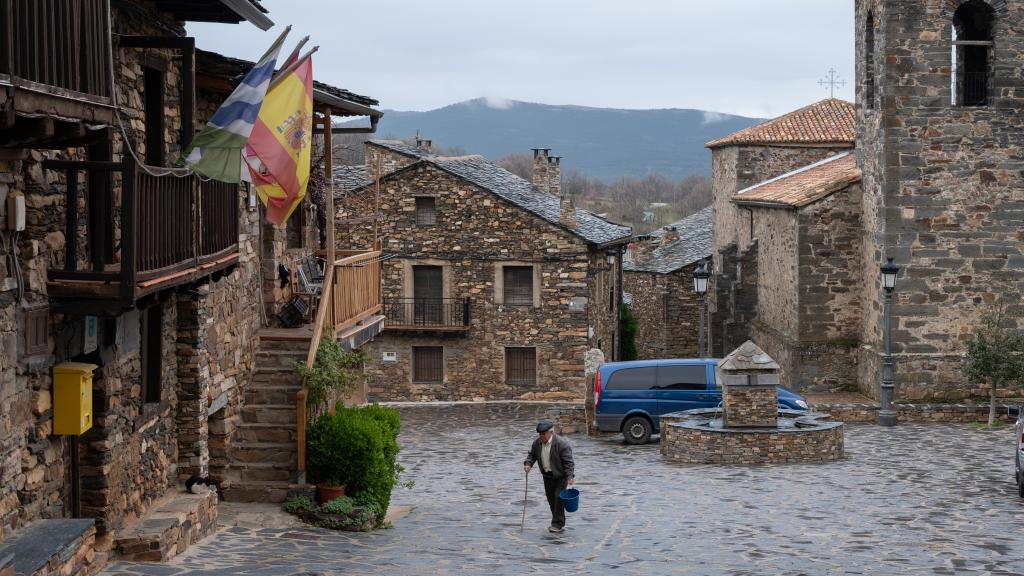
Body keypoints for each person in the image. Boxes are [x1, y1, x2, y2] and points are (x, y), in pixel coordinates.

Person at [523, 420, 575, 533]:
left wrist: (570, 477)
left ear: (551, 432)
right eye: (540, 434)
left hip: (561, 477)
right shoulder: (537, 443)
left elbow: (568, 463)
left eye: (543, 433)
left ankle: (557, 524)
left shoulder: (561, 444)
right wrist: (528, 464)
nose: (541, 436)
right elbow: (531, 455)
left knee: (558, 499)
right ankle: (557, 520)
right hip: (547, 476)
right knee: (551, 500)